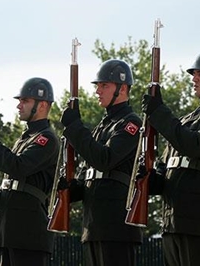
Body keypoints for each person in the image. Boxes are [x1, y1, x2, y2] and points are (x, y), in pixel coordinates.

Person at [141, 50, 200, 266]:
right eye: (194, 74)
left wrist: (160, 113)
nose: (194, 79)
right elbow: (165, 169)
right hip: (172, 222)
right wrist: (148, 177)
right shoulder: (185, 121)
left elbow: (193, 146)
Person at [60, 59, 143, 265]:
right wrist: (68, 188)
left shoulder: (131, 123)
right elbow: (87, 174)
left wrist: (75, 128)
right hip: (94, 226)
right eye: (98, 86)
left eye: (104, 85)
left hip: (116, 226)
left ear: (122, 88)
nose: (98, 91)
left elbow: (104, 159)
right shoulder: (103, 126)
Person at [0, 77, 59, 266]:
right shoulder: (26, 138)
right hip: (11, 231)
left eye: (25, 101)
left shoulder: (46, 139)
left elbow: (17, 167)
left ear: (42, 105)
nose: (19, 106)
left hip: (29, 233)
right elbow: (19, 184)